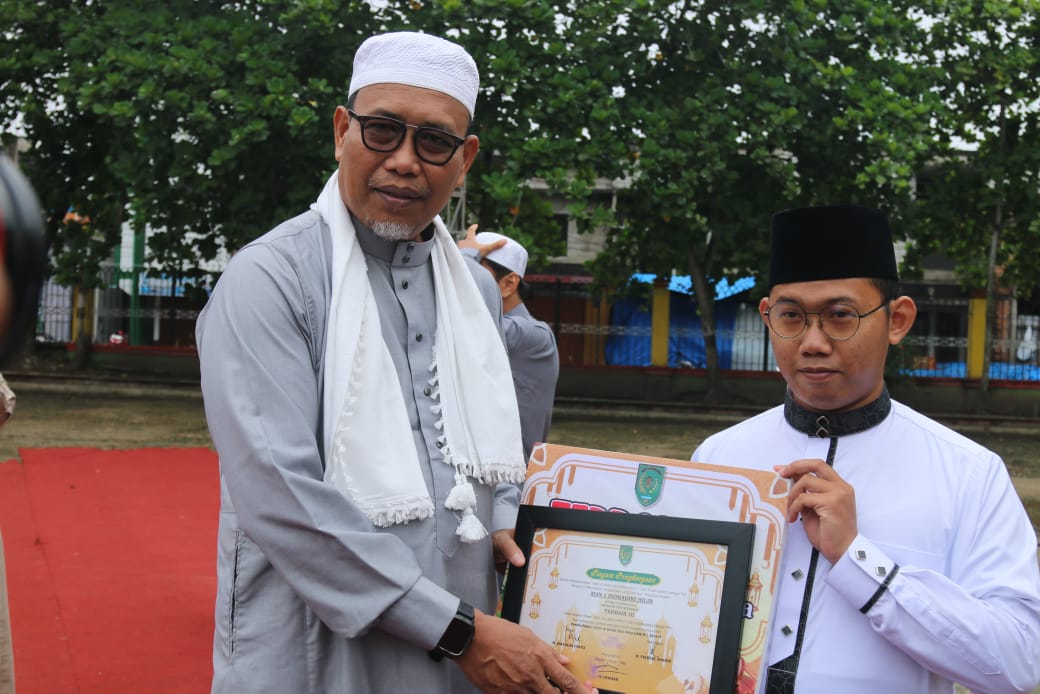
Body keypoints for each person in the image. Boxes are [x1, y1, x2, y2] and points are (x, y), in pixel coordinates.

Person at [197, 32, 594, 694]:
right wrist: (458, 630)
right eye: (382, 131)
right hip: (315, 655)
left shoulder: (471, 291)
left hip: (459, 652)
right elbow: (282, 496)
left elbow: (490, 447)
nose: (405, 161)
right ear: (341, 131)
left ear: (463, 160)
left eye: (434, 142)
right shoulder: (273, 279)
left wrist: (503, 523)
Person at [691, 205, 1040, 694]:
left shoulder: (968, 474)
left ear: (896, 320)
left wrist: (860, 560)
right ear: (768, 316)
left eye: (840, 316)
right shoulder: (718, 457)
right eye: (791, 316)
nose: (812, 342)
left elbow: (1021, 662)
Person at [460, 225, 559, 461]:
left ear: (508, 284)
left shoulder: (534, 336)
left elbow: (468, 327)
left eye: (477, 273)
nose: (464, 282)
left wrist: (464, 256)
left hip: (509, 484)